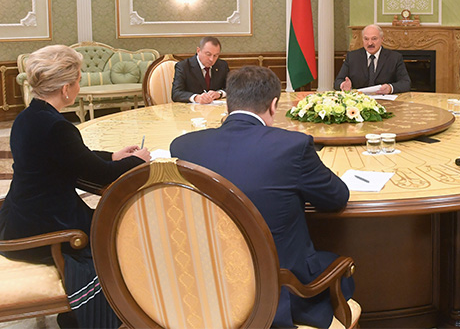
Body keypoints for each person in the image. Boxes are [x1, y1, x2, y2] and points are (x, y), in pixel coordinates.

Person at [170, 66, 354, 328]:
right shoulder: (293, 146)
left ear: (229, 104)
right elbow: (336, 198)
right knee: (342, 270)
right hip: (278, 292)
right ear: (273, 105)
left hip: (205, 287)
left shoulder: (183, 146)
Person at [0, 45, 150, 329]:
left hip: (20, 217)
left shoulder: (29, 117)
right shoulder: (57, 127)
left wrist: (114, 156)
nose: (79, 87)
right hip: (43, 227)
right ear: (66, 88)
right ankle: (100, 315)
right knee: (120, 233)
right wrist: (137, 161)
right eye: (79, 80)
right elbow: (102, 175)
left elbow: (74, 157)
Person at [334, 24, 411, 94]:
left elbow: (406, 83)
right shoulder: (352, 57)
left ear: (382, 39)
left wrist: (390, 88)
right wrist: (343, 85)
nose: (370, 43)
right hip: (360, 101)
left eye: (374, 39)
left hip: (385, 100)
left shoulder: (394, 57)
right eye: (366, 39)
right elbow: (338, 81)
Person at [171, 36, 230, 104]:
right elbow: (176, 93)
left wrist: (219, 93)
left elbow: (232, 88)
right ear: (198, 51)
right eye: (208, 54)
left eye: (215, 55)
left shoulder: (222, 65)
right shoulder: (183, 66)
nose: (211, 59)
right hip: (192, 109)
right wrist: (196, 97)